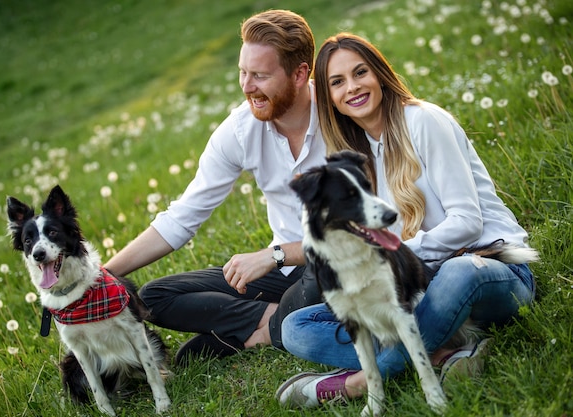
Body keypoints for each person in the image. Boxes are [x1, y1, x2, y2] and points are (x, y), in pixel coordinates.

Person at [276, 33, 537, 408]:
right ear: (329, 96)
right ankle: (444, 354)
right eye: (337, 82)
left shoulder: (425, 122)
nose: (352, 87)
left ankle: (356, 383)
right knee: (295, 327)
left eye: (360, 72)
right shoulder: (356, 162)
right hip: (418, 289)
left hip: (488, 270)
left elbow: (467, 223)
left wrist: (398, 251)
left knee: (457, 274)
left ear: (379, 73)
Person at [103, 10, 326, 365]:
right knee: (154, 298)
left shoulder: (339, 116)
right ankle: (276, 321)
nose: (247, 86)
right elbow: (182, 217)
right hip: (284, 273)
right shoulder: (240, 130)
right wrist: (101, 278)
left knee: (326, 272)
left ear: (300, 74)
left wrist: (277, 254)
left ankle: (267, 331)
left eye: (260, 75)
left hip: (334, 263)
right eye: (243, 72)